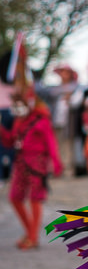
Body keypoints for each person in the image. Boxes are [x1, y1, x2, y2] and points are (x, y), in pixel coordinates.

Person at [0, 85, 63, 249]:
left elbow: (51, 144)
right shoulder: (18, 121)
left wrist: (56, 163)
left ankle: (33, 237)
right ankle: (30, 232)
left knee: (35, 199)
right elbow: (10, 142)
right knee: (15, 197)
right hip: (20, 163)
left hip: (37, 164)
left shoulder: (42, 120)